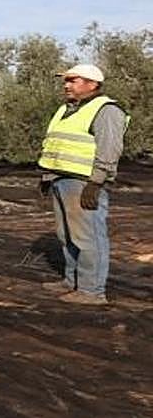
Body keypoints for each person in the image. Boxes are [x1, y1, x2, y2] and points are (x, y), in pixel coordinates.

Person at [37, 63, 128, 306]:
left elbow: (110, 149)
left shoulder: (106, 110)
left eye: (73, 80)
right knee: (67, 235)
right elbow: (56, 144)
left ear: (92, 84)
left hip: (83, 182)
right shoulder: (66, 109)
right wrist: (47, 176)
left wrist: (96, 183)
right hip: (60, 179)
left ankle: (91, 291)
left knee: (88, 237)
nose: (67, 85)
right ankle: (71, 281)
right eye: (66, 80)